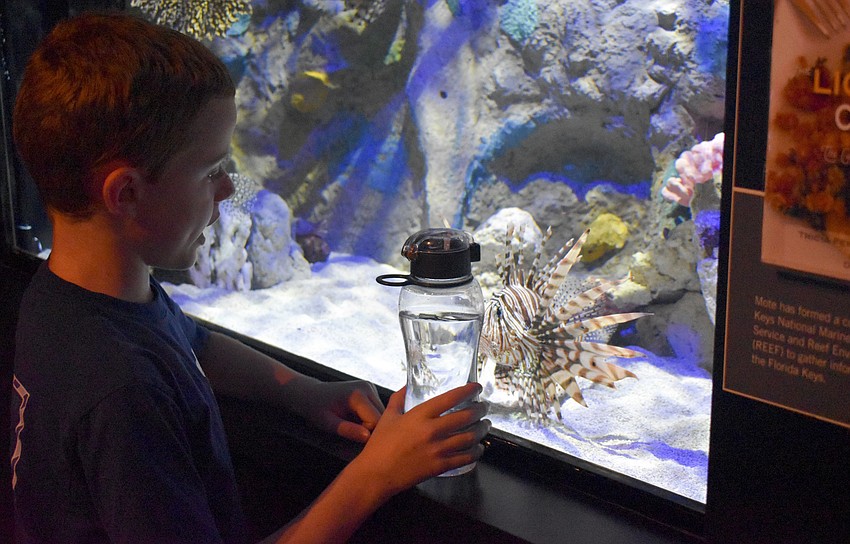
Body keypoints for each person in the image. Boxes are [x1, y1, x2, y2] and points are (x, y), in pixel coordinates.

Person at [9, 11, 490, 544]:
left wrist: (302, 391)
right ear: (126, 194)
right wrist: (375, 474)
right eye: (212, 171)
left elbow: (197, 344)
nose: (226, 191)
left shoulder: (75, 295)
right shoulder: (122, 397)